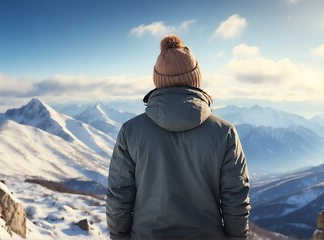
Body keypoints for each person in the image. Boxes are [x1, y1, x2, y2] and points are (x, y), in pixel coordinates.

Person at [106, 34, 250, 240]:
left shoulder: (131, 131)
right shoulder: (224, 131)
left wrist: (119, 237)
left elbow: (119, 196)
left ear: (158, 81)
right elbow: (235, 198)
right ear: (195, 79)